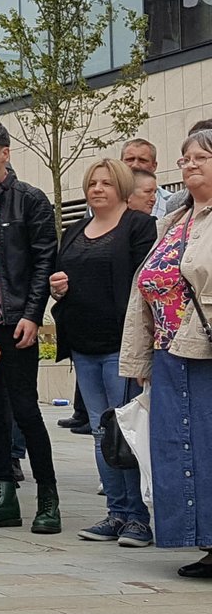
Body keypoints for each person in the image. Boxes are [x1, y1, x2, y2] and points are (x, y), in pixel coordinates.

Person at [0, 119, 61, 534]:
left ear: (4, 152)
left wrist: (34, 315)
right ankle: (3, 495)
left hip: (14, 321)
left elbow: (43, 261)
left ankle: (48, 499)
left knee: (24, 410)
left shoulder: (30, 200)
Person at [50, 158, 156, 546]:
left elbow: (144, 282)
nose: (98, 189)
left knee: (125, 430)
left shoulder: (138, 225)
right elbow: (66, 280)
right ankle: (116, 512)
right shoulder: (75, 230)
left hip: (121, 345)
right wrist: (59, 288)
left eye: (107, 183)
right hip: (84, 344)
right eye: (93, 183)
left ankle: (138, 519)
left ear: (122, 187)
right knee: (100, 431)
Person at [120, 130, 212, 578]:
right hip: (169, 350)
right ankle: (207, 541)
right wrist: (140, 360)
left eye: (202, 157)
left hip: (205, 351)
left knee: (208, 447)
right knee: (181, 450)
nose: (190, 163)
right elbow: (145, 292)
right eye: (185, 157)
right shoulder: (173, 220)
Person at [121, 138, 171, 217]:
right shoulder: (102, 200)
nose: (135, 165)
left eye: (142, 160)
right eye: (130, 159)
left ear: (154, 166)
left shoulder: (171, 203)